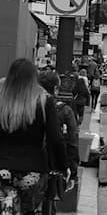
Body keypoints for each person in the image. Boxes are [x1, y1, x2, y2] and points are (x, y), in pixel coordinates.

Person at [0, 59, 68, 215]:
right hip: (32, 167)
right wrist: (63, 165)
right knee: (29, 209)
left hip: (2, 165)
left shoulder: (2, 100)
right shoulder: (44, 100)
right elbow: (55, 138)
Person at [37, 72, 78, 215]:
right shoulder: (64, 110)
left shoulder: (27, 106)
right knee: (49, 201)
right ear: (55, 89)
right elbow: (72, 140)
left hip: (28, 165)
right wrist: (71, 170)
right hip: (52, 164)